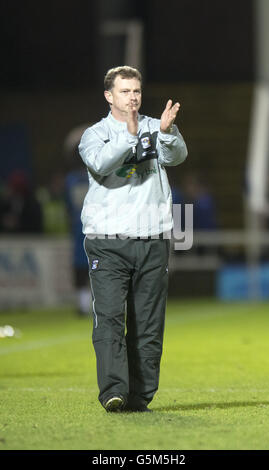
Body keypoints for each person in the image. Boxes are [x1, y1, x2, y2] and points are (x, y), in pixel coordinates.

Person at [78, 66, 188, 413]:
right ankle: (113, 390)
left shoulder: (157, 127)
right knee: (109, 316)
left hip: (152, 240)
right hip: (107, 242)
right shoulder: (94, 134)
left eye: (137, 91)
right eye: (125, 91)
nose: (133, 97)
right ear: (109, 96)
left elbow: (176, 156)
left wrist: (167, 133)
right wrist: (129, 135)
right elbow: (101, 164)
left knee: (148, 322)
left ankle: (141, 396)